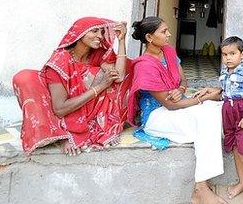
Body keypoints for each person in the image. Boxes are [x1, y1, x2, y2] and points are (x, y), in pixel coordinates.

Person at [128, 16, 226, 204]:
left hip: (177, 107)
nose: (169, 34)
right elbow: (169, 105)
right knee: (205, 116)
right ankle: (202, 189)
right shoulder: (144, 65)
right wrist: (203, 97)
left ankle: (201, 187)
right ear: (149, 37)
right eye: (164, 31)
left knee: (214, 110)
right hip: (157, 116)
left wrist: (180, 90)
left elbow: (183, 81)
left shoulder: (169, 52)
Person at [12, 17, 132, 156]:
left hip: (83, 106)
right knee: (100, 77)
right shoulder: (60, 60)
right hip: (61, 110)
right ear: (80, 34)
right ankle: (64, 134)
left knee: (128, 67)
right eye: (94, 31)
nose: (100, 36)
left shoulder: (96, 53)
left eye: (102, 32)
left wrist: (122, 40)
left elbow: (119, 76)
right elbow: (60, 109)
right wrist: (101, 85)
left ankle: (88, 125)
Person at [219, 36, 243, 204]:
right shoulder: (224, 72)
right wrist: (208, 92)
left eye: (232, 53)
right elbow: (222, 91)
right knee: (235, 146)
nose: (228, 58)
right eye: (224, 54)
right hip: (228, 111)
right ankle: (241, 182)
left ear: (242, 55)